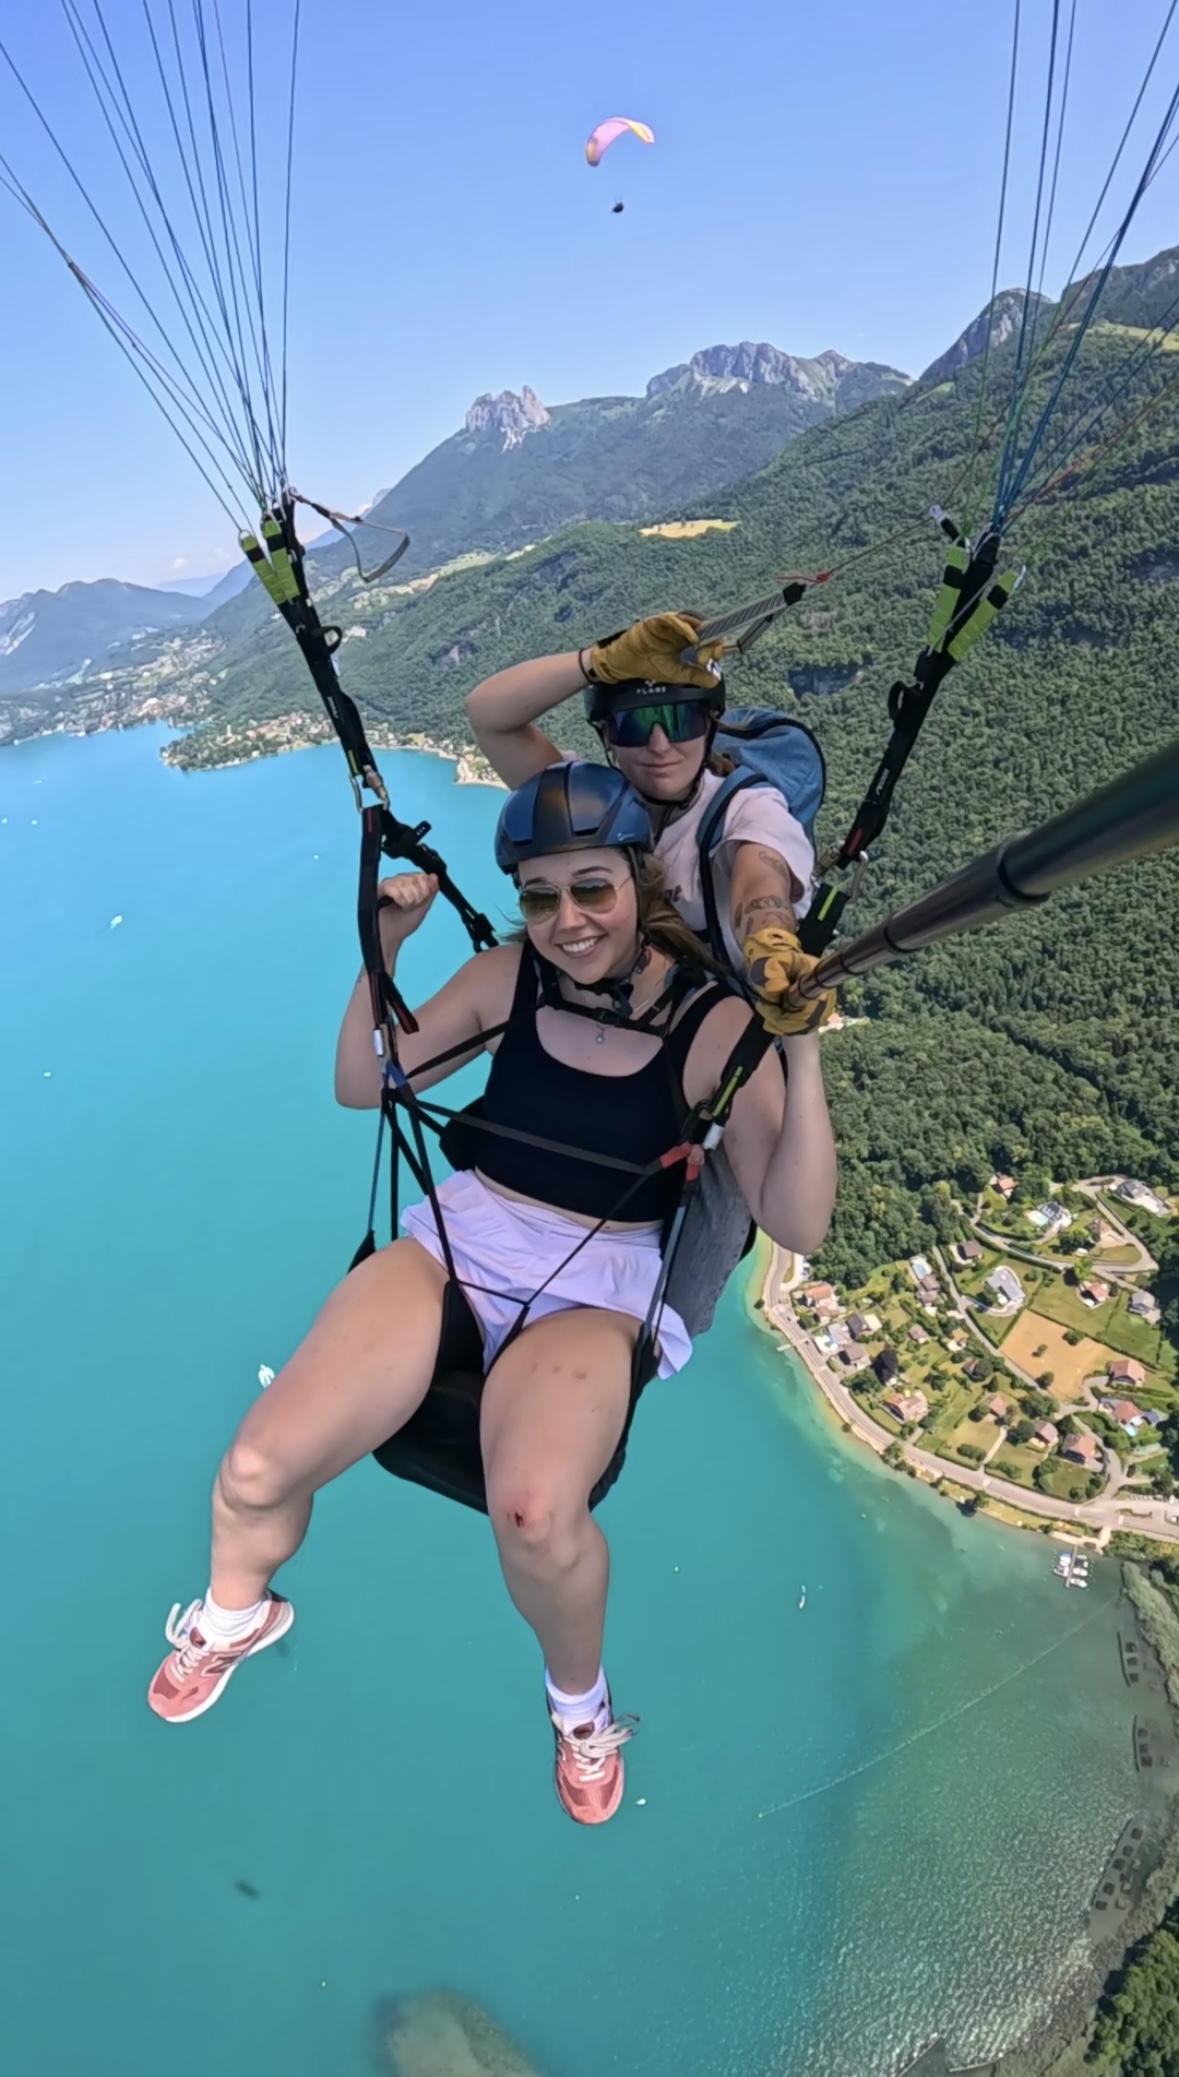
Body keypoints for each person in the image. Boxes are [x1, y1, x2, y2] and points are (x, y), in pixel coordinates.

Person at [147, 763, 837, 1826]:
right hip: (462, 1239)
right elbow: (361, 1078)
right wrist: (385, 945)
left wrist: (795, 1054)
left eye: (592, 891)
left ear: (636, 882)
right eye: (542, 895)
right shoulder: (507, 975)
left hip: (596, 1285)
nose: (567, 921)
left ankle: (579, 1704)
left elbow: (796, 1222)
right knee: (250, 1469)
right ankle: (234, 1616)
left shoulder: (708, 1025)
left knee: (535, 1512)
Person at [464, 610, 821, 1004]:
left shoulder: (748, 811)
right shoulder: (580, 806)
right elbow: (487, 715)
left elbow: (759, 885)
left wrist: (772, 949)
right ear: (607, 736)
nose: (660, 746)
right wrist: (598, 661)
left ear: (711, 726)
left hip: (712, 1042)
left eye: (680, 720)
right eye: (634, 725)